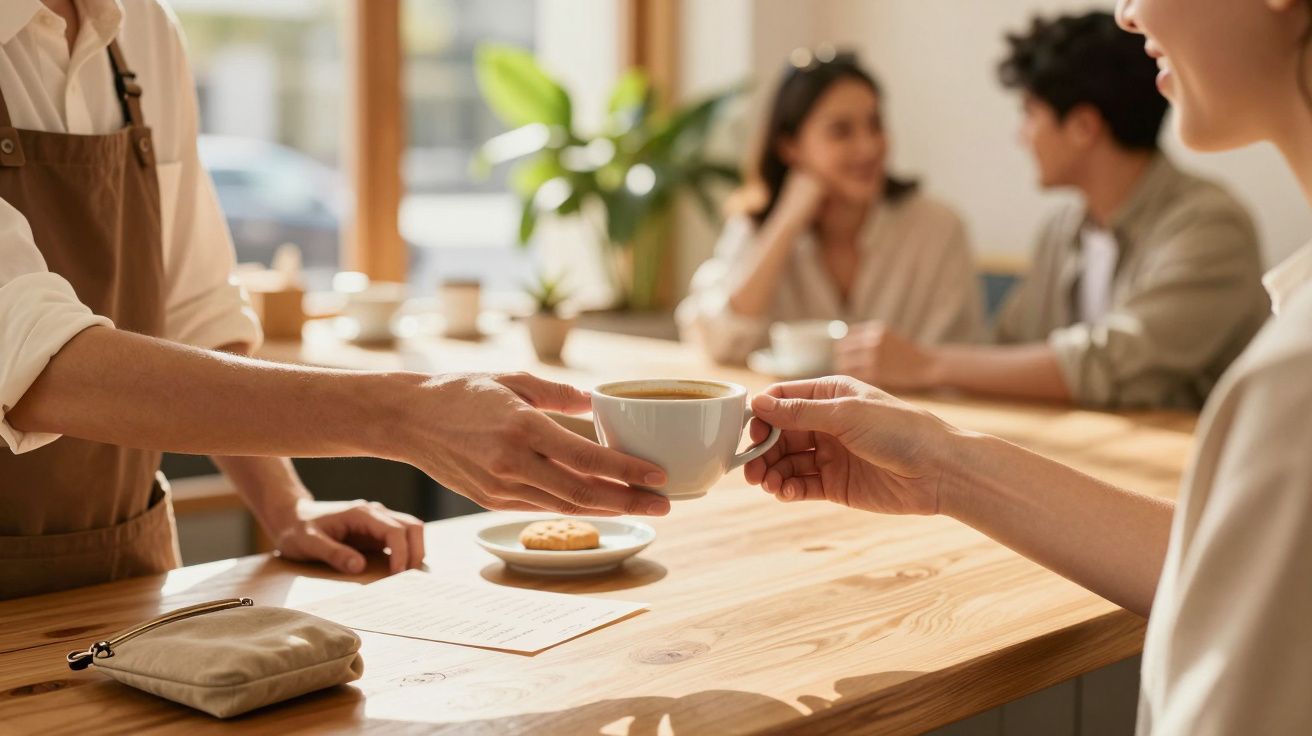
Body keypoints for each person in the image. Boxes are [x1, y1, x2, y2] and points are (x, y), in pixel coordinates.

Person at [742, 0, 1312, 730]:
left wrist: (931, 401)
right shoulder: (1067, 235)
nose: (1129, 14)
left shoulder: (1287, 379)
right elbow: (1225, 570)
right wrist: (939, 461)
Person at [0, 0, 668, 600]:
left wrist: (286, 504)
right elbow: (38, 366)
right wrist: (405, 415)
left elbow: (197, 311)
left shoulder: (143, 28)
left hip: (131, 571)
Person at [836, 12, 1271, 410]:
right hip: (1089, 462)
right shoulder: (1061, 232)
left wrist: (926, 364)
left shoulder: (1210, 225)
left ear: (1083, 126)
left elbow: (1109, 362)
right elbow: (1004, 349)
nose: (1022, 136)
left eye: (1029, 114)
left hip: (1185, 476)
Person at [676, 48, 982, 367]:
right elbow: (717, 342)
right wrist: (787, 222)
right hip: (788, 414)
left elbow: (959, 357)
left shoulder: (938, 229)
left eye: (875, 124)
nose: (868, 147)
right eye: (841, 131)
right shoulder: (756, 226)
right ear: (790, 147)